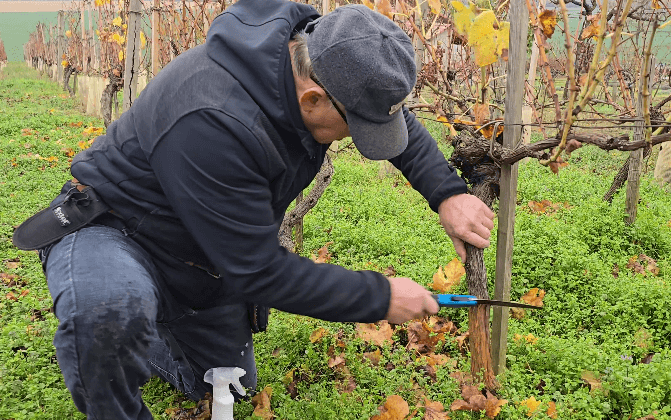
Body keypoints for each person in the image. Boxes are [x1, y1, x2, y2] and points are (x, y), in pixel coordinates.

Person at [17, 1, 495, 418]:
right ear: (313, 99)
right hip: (114, 228)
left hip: (199, 254)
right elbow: (259, 271)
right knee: (108, 316)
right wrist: (381, 297)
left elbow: (385, 111)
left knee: (227, 382)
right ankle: (110, 330)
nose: (357, 138)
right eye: (356, 128)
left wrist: (447, 193)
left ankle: (148, 326)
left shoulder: (319, 61)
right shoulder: (213, 119)